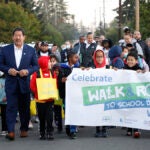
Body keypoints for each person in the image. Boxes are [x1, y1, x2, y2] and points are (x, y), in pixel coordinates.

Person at [0, 27, 39, 141]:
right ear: (13, 37)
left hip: (25, 84)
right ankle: (10, 131)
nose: (17, 37)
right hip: (11, 83)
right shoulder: (5, 49)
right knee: (10, 107)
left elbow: (35, 66)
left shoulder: (31, 50)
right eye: (15, 35)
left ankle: (24, 129)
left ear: (24, 37)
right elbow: (0, 64)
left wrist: (27, 71)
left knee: (25, 108)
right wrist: (8, 70)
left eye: (20, 35)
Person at [30, 56, 54, 140]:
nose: (50, 63)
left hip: (50, 100)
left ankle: (50, 132)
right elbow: (32, 85)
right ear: (44, 63)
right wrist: (37, 93)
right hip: (40, 101)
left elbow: (55, 84)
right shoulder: (37, 74)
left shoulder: (52, 72)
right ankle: (42, 132)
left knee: (50, 117)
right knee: (42, 117)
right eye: (49, 62)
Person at [58, 51, 79, 139]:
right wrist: (61, 80)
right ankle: (68, 125)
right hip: (66, 94)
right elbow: (58, 79)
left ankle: (73, 130)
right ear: (70, 58)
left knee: (74, 111)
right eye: (75, 57)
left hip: (76, 93)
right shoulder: (62, 67)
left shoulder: (78, 67)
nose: (77, 59)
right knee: (67, 110)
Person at [124, 51, 144, 138]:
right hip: (127, 93)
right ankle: (129, 129)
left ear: (136, 61)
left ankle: (136, 129)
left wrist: (142, 72)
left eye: (132, 60)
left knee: (136, 110)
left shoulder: (139, 69)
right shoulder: (124, 68)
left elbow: (145, 75)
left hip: (136, 94)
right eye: (128, 60)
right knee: (128, 110)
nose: (130, 61)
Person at [92, 49, 108, 138]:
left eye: (101, 56)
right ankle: (98, 129)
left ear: (103, 57)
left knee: (104, 111)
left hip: (105, 93)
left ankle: (104, 129)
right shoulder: (92, 68)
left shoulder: (108, 67)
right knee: (96, 111)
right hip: (95, 93)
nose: (99, 58)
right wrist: (83, 70)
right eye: (97, 57)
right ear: (95, 57)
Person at [0, 71, 7, 136]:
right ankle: (4, 129)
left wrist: (6, 97)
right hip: (2, 99)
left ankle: (5, 129)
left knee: (4, 115)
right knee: (4, 115)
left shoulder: (7, 80)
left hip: (5, 100)